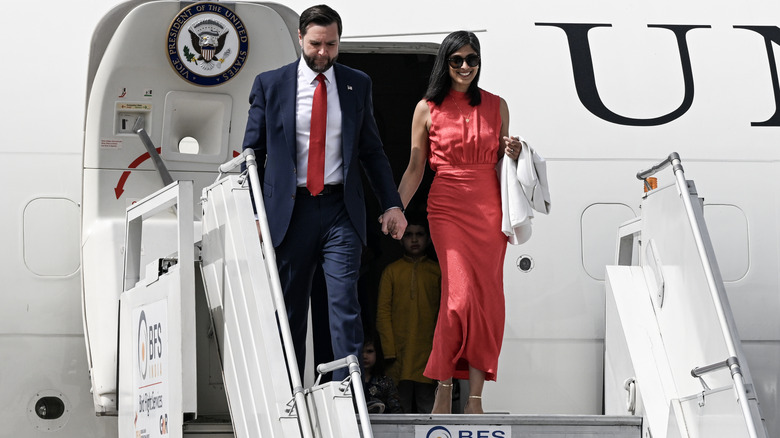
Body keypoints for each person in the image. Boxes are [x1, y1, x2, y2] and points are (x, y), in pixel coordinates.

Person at [241, 4, 407, 381]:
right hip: (290, 211)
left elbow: (372, 152)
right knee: (290, 307)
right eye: (316, 44)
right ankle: (289, 390)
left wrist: (392, 204)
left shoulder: (356, 83)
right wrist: (252, 213)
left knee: (344, 301)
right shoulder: (271, 85)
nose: (323, 53)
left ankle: (344, 391)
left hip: (339, 210)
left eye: (331, 45)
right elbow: (253, 155)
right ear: (301, 38)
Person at [396, 30, 522, 414]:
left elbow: (503, 166)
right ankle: (444, 385)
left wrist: (514, 151)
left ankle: (476, 398)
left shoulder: (497, 106)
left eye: (472, 59)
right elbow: (416, 168)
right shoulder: (427, 108)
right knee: (459, 299)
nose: (466, 67)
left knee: (487, 301)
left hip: (488, 208)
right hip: (447, 204)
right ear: (445, 63)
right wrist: (395, 209)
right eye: (457, 60)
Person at [376, 216, 440, 413]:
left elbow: (444, 312)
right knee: (398, 407)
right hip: (398, 351)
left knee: (428, 405)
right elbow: (383, 313)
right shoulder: (392, 271)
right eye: (409, 235)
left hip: (428, 350)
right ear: (401, 238)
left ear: (429, 239)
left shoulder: (437, 272)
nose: (414, 240)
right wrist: (389, 350)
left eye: (419, 235)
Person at [362, 335, 403, 414]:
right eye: (361, 352)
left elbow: (397, 412)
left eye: (369, 351)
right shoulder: (348, 382)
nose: (364, 356)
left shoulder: (386, 382)